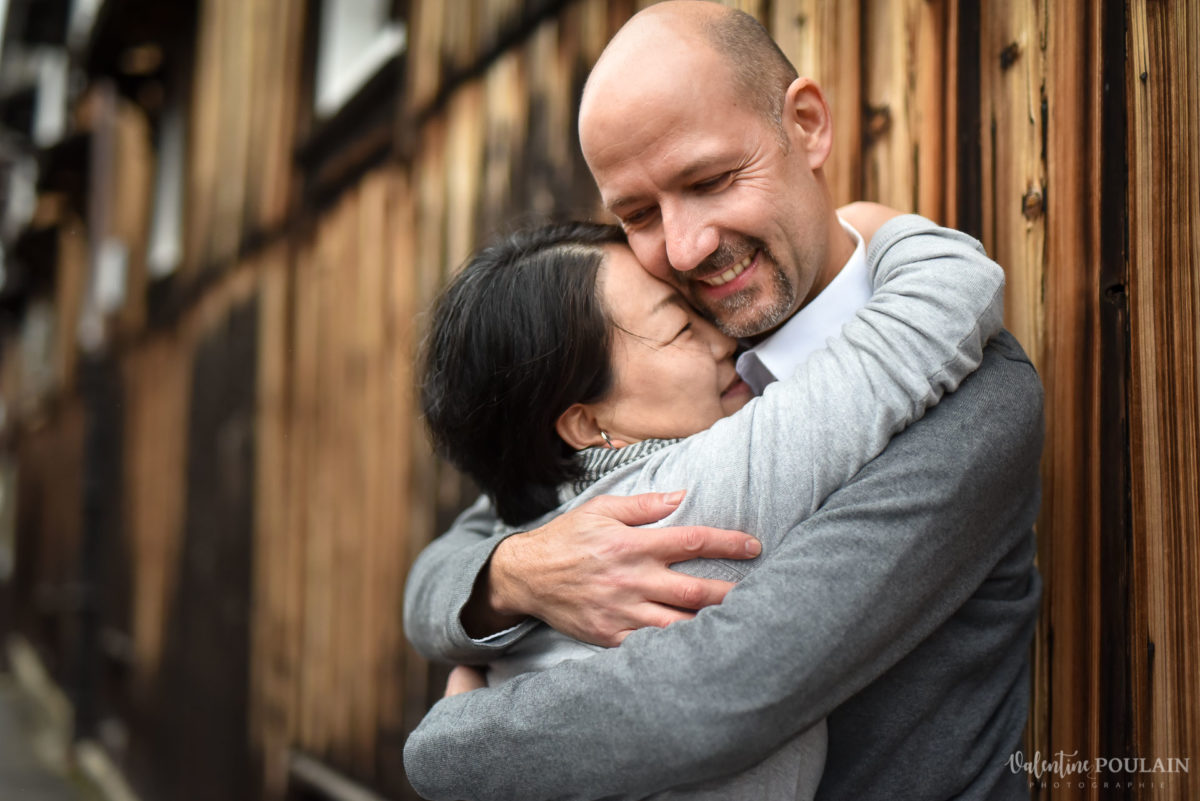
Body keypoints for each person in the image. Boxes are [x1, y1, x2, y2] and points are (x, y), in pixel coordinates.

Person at [403, 3, 1044, 800]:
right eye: (637, 213)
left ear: (807, 125)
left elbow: (720, 694)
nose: (685, 247)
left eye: (710, 181)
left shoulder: (978, 400)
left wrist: (451, 743)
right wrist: (516, 572)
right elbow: (445, 567)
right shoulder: (680, 358)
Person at [410, 215, 1005, 799]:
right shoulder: (697, 490)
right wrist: (865, 223)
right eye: (680, 330)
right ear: (588, 423)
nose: (726, 340)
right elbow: (951, 290)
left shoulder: (539, 509)